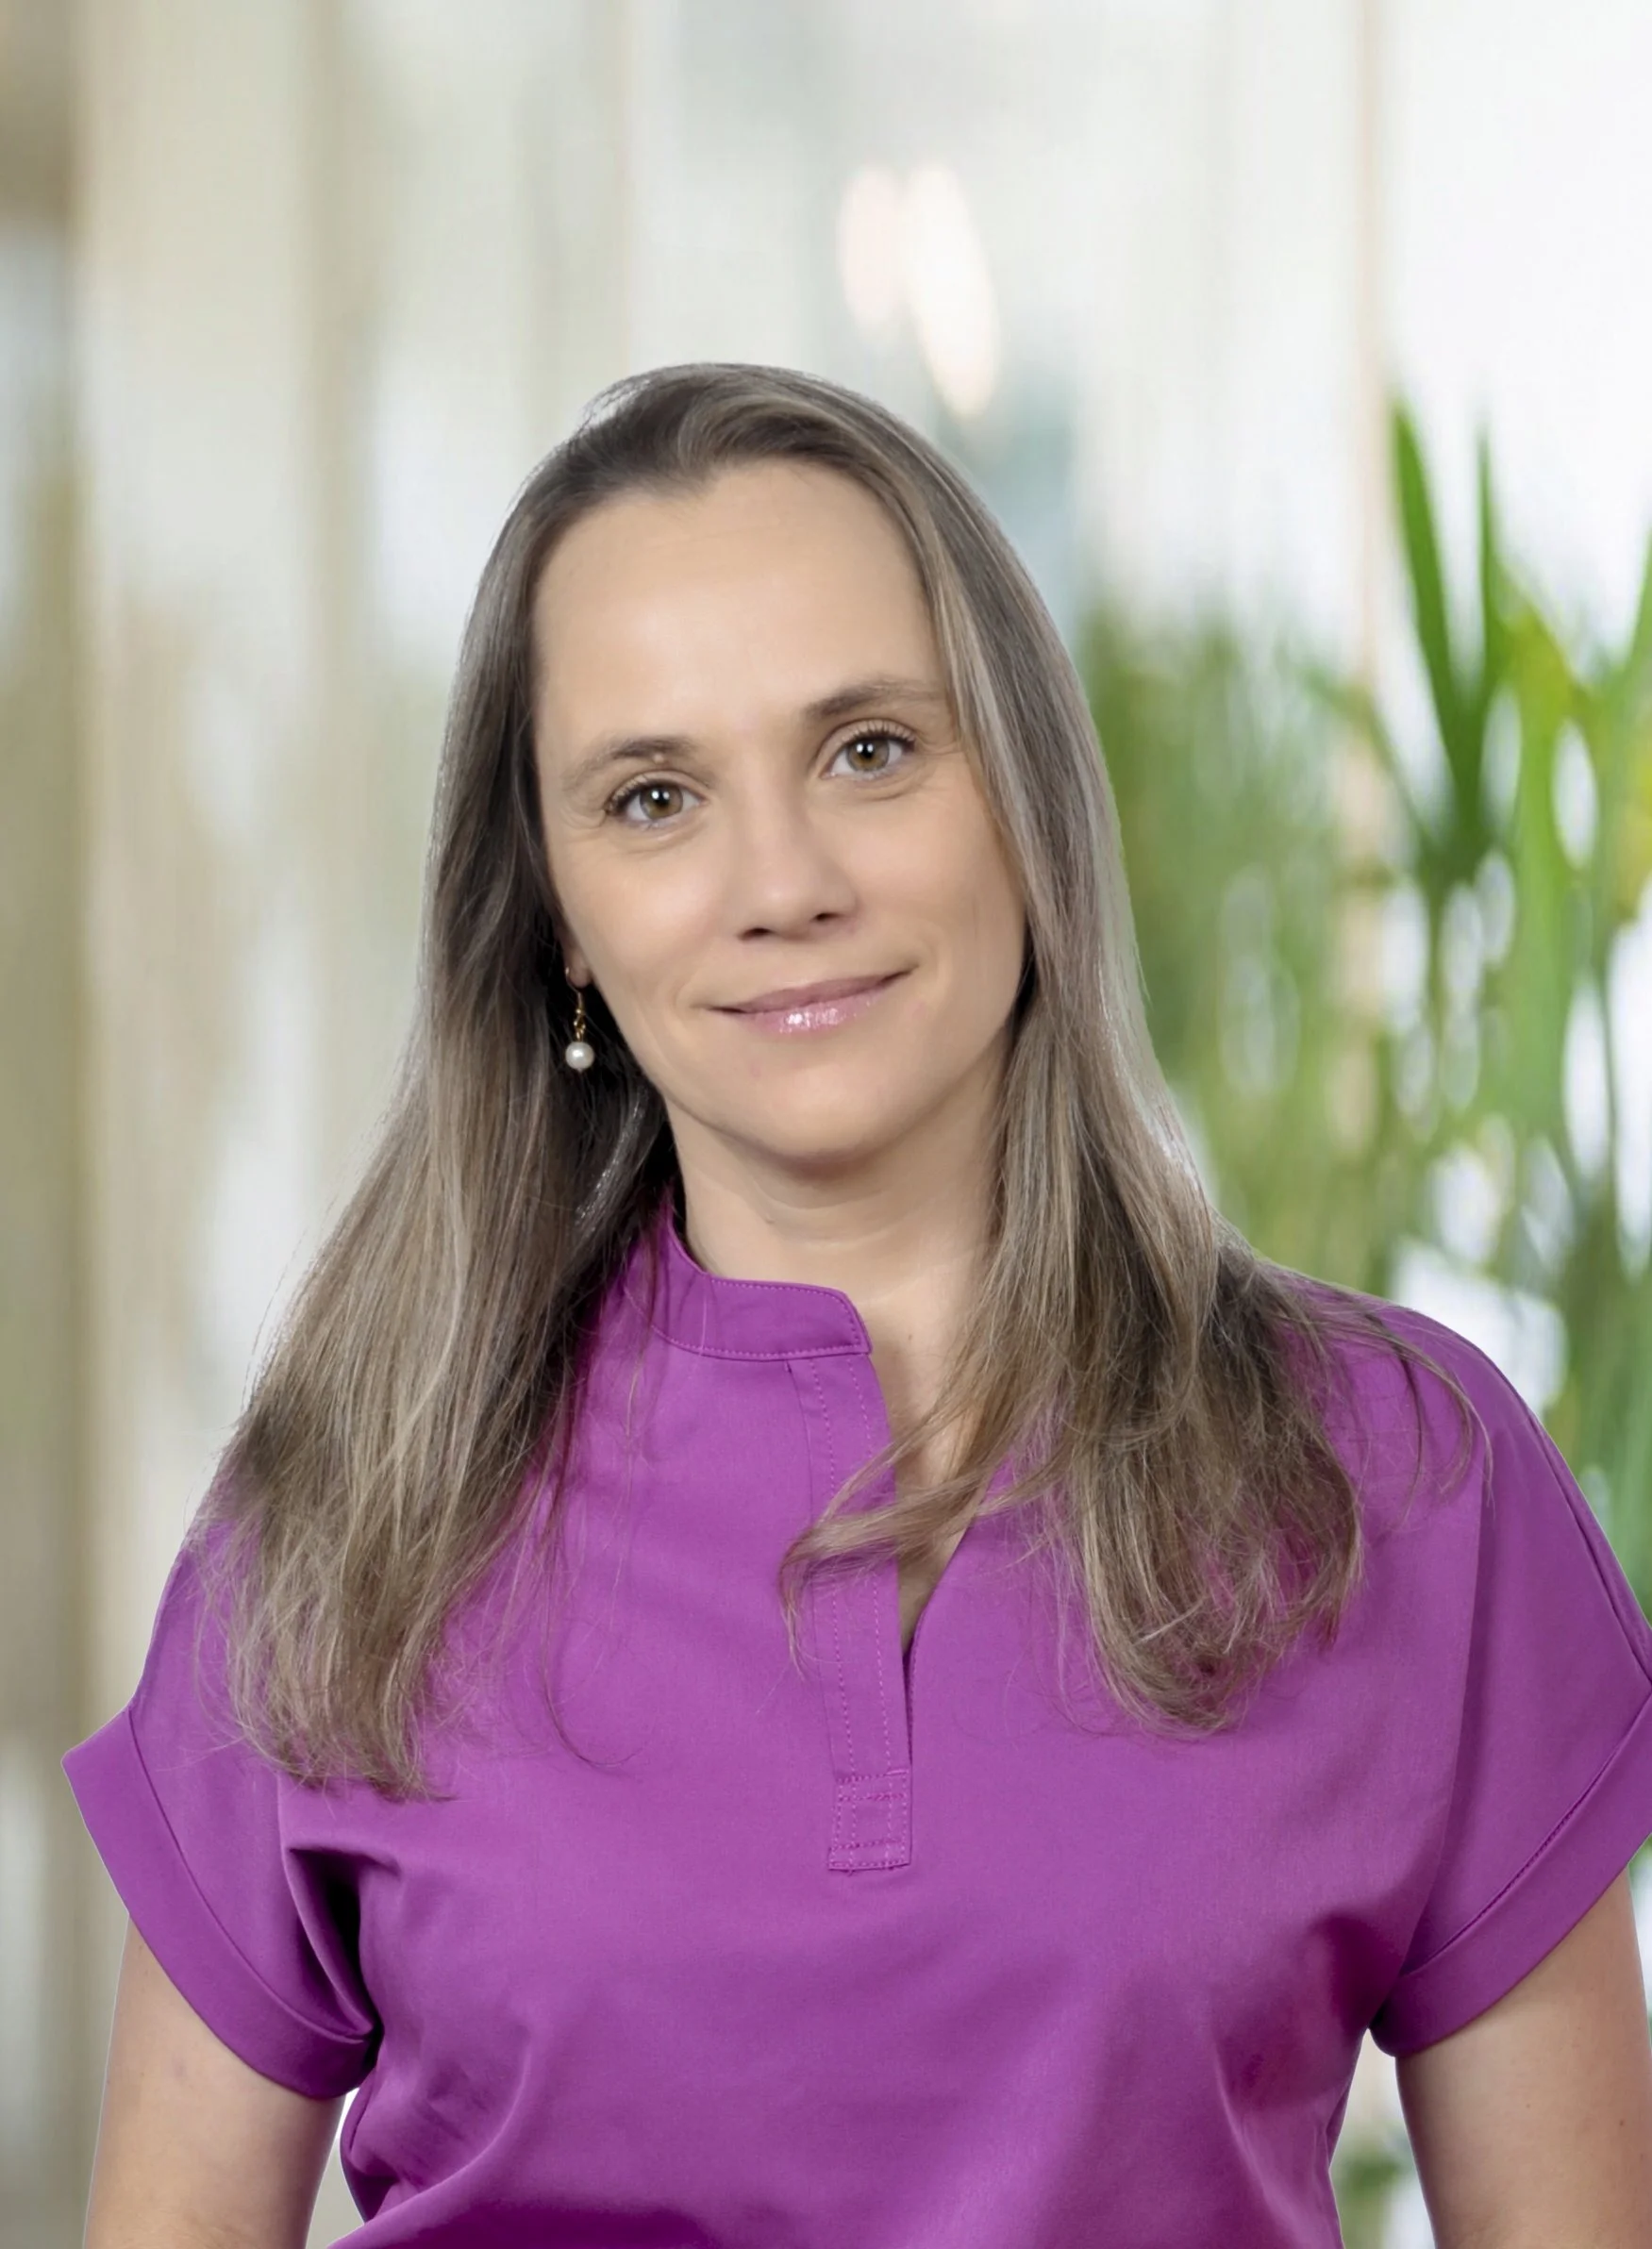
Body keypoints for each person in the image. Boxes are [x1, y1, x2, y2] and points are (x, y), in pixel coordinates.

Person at [65, 362, 1652, 2249]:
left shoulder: (1402, 1474)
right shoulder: (356, 1502)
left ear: (1025, 798)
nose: (783, 883)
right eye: (654, 798)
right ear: (558, 912)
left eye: (870, 750)